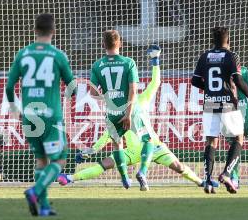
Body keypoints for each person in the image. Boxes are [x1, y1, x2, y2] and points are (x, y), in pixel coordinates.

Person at [57, 46, 203, 187]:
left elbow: (106, 137)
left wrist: (90, 151)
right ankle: (200, 182)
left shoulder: (118, 109)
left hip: (136, 151)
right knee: (178, 166)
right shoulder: (140, 99)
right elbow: (155, 83)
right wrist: (155, 61)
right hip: (151, 147)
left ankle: (69, 178)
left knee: (104, 164)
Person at [6, 13, 77, 216]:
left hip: (28, 116)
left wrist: (14, 109)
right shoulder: (58, 55)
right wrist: (70, 94)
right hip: (50, 116)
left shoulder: (23, 54)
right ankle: (35, 192)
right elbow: (71, 85)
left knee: (41, 161)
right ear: (53, 31)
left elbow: (10, 86)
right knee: (59, 161)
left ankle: (44, 207)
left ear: (35, 30)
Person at [191, 27, 248, 194]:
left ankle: (208, 181)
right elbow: (237, 79)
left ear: (213, 41)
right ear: (228, 40)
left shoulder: (205, 56)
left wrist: (208, 88)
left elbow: (194, 81)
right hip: (228, 103)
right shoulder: (231, 56)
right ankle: (227, 174)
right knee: (239, 138)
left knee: (210, 141)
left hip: (210, 103)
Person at [89, 30, 153, 190]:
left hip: (112, 112)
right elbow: (133, 90)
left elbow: (92, 93)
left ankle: (125, 179)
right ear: (120, 44)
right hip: (131, 111)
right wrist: (128, 114)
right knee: (148, 140)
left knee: (117, 144)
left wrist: (107, 96)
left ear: (103, 45)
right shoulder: (128, 62)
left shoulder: (97, 65)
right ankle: (142, 172)